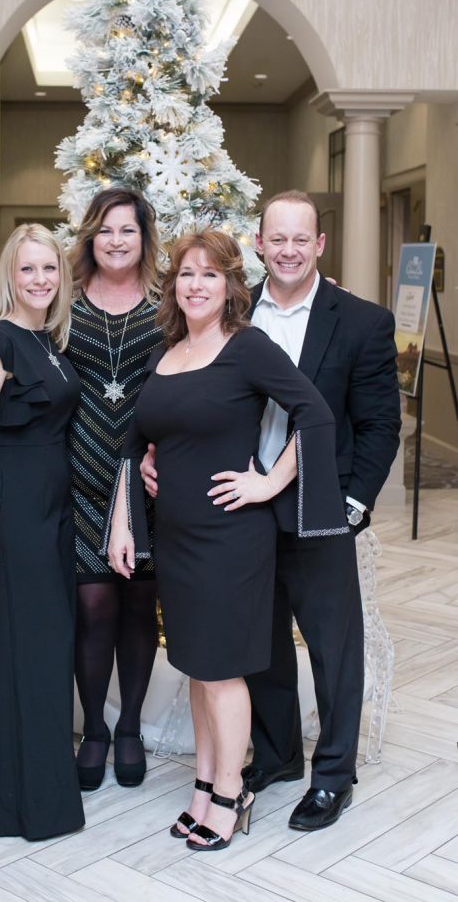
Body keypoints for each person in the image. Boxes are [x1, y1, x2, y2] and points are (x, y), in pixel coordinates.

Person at [142, 190, 401, 832]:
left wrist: (350, 503)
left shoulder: (361, 320)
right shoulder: (230, 309)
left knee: (332, 648)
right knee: (260, 646)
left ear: (319, 245)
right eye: (276, 239)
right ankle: (278, 756)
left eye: (300, 239)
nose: (288, 250)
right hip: (237, 515)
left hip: (315, 510)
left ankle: (332, 776)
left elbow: (379, 425)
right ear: (259, 245)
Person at [108, 229, 347, 852]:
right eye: (186, 274)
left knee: (221, 673)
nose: (196, 285)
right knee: (194, 665)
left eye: (210, 274)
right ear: (173, 285)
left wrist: (268, 483)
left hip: (231, 539)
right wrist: (142, 483)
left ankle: (232, 793)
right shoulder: (167, 352)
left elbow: (315, 413)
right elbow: (139, 436)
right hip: (177, 538)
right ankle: (204, 786)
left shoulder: (247, 347)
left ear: (231, 285)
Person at [0, 224, 85, 840]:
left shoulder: (48, 340)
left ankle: (46, 791)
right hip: (10, 515)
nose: (39, 279)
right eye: (28, 268)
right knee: (26, 652)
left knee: (49, 650)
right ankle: (30, 807)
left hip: (52, 511)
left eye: (49, 268)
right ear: (9, 273)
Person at [65, 187, 163, 791]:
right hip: (78, 475)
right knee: (93, 606)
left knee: (137, 604)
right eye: (105, 229)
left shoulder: (168, 306)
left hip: (147, 476)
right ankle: (95, 729)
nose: (116, 240)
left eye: (128, 229)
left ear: (144, 238)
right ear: (90, 237)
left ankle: (129, 726)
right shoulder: (64, 304)